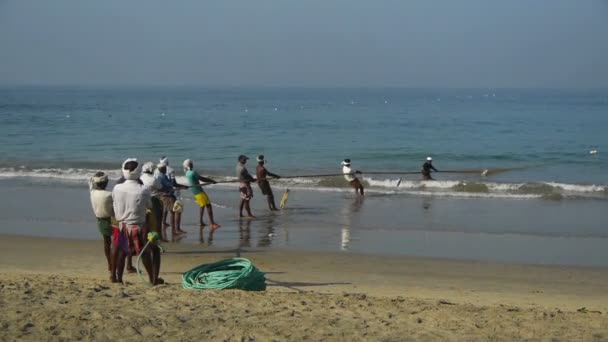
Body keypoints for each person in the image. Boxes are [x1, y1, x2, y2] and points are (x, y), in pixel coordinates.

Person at [112, 158, 162, 285]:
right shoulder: (143, 190)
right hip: (139, 226)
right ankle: (153, 279)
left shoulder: (117, 188)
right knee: (151, 251)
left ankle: (117, 278)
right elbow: (149, 206)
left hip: (122, 225)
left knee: (121, 252)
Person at [183, 159, 221, 230]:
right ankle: (212, 223)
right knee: (208, 205)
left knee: (202, 205)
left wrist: (211, 181)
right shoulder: (193, 172)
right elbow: (202, 179)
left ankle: (200, 222)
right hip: (199, 191)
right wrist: (211, 181)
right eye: (191, 164)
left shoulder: (187, 172)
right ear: (190, 165)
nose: (192, 165)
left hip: (194, 191)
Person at [88, 171, 114, 272]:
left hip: (100, 220)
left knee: (107, 242)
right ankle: (123, 263)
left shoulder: (92, 192)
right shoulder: (109, 194)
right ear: (106, 183)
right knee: (119, 242)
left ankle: (109, 264)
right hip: (112, 219)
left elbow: (90, 181)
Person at [157, 157, 188, 234]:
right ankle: (176, 230)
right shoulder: (170, 170)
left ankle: (164, 222)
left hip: (161, 195)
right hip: (170, 194)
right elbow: (173, 183)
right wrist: (183, 187)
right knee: (176, 210)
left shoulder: (156, 171)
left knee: (166, 209)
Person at [140, 162, 170, 241]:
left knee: (146, 219)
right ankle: (159, 236)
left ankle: (147, 236)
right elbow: (160, 187)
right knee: (158, 218)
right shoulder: (153, 179)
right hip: (154, 200)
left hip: (143, 200)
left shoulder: (141, 177)